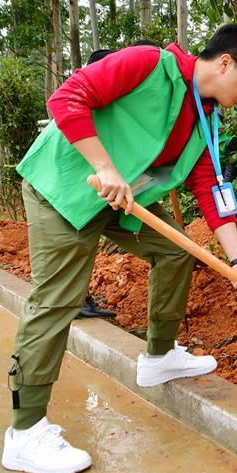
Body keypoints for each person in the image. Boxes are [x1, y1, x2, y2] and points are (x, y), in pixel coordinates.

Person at [2, 24, 237, 473]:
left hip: (122, 205)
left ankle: (159, 358)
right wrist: (104, 167)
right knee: (59, 298)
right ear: (226, 62)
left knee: (175, 251)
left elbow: (210, 188)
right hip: (65, 188)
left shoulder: (205, 118)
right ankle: (24, 433)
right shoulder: (148, 64)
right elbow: (67, 99)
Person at [76, 40, 164, 320]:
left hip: (107, 175)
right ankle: (77, 300)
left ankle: (79, 298)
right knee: (80, 238)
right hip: (91, 172)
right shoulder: (110, 65)